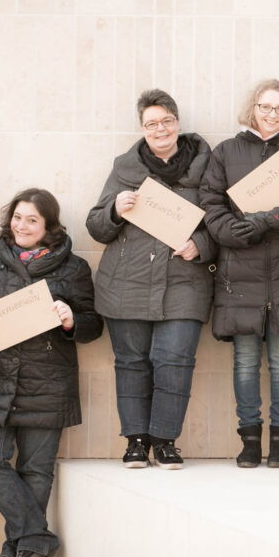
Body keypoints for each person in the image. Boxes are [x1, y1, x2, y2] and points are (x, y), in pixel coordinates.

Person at [0, 189, 103, 557]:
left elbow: (93, 324)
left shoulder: (74, 268)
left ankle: (17, 552)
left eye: (32, 220)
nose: (21, 226)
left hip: (48, 381)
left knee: (36, 471)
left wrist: (71, 319)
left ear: (49, 226)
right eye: (17, 217)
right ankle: (37, 538)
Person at [199, 79, 279, 468]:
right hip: (241, 273)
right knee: (245, 361)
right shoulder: (226, 151)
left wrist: (271, 219)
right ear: (253, 108)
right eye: (265, 107)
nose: (272, 114)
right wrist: (233, 232)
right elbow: (210, 203)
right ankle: (250, 439)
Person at [86, 89, 216, 469]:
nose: (160, 129)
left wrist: (201, 245)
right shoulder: (124, 169)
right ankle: (136, 441)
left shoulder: (208, 166)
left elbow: (225, 220)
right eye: (151, 123)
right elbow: (96, 226)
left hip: (185, 283)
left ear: (177, 123)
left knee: (174, 360)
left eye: (166, 121)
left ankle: (165, 440)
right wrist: (114, 209)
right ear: (143, 128)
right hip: (126, 283)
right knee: (131, 362)